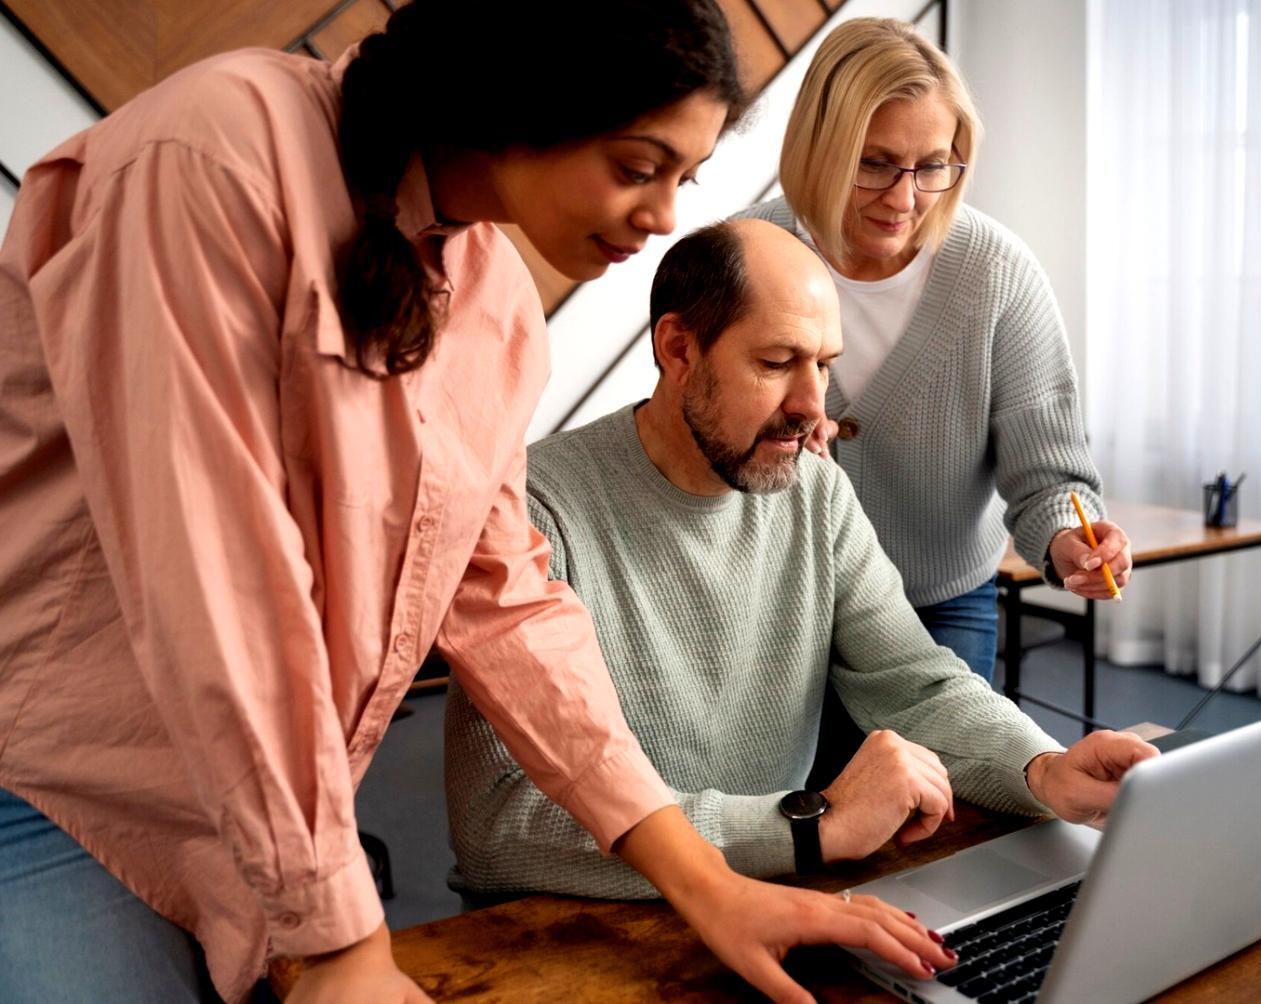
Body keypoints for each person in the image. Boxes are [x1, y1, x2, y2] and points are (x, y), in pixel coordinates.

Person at [0, 4, 951, 1002]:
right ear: (519, 98)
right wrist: (338, 943)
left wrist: (705, 879)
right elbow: (216, 579)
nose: (665, 215)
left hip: (263, 815)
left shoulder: (493, 300)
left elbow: (506, 602)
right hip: (65, 786)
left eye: (685, 178)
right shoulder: (209, 156)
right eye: (638, 165)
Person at [444, 218, 1158, 900]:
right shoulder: (536, 507)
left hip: (770, 896)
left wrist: (1042, 769)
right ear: (678, 350)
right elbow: (500, 823)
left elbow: (916, 685)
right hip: (574, 932)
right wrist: (804, 825)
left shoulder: (814, 490)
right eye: (777, 362)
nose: (813, 407)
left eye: (823, 365)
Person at [739, 18, 1133, 681]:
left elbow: (1049, 475)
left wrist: (1072, 539)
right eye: (874, 164)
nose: (904, 198)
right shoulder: (742, 257)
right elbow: (692, 446)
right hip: (769, 604)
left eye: (932, 168)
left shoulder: (995, 273)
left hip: (938, 603)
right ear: (820, 147)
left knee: (951, 784)